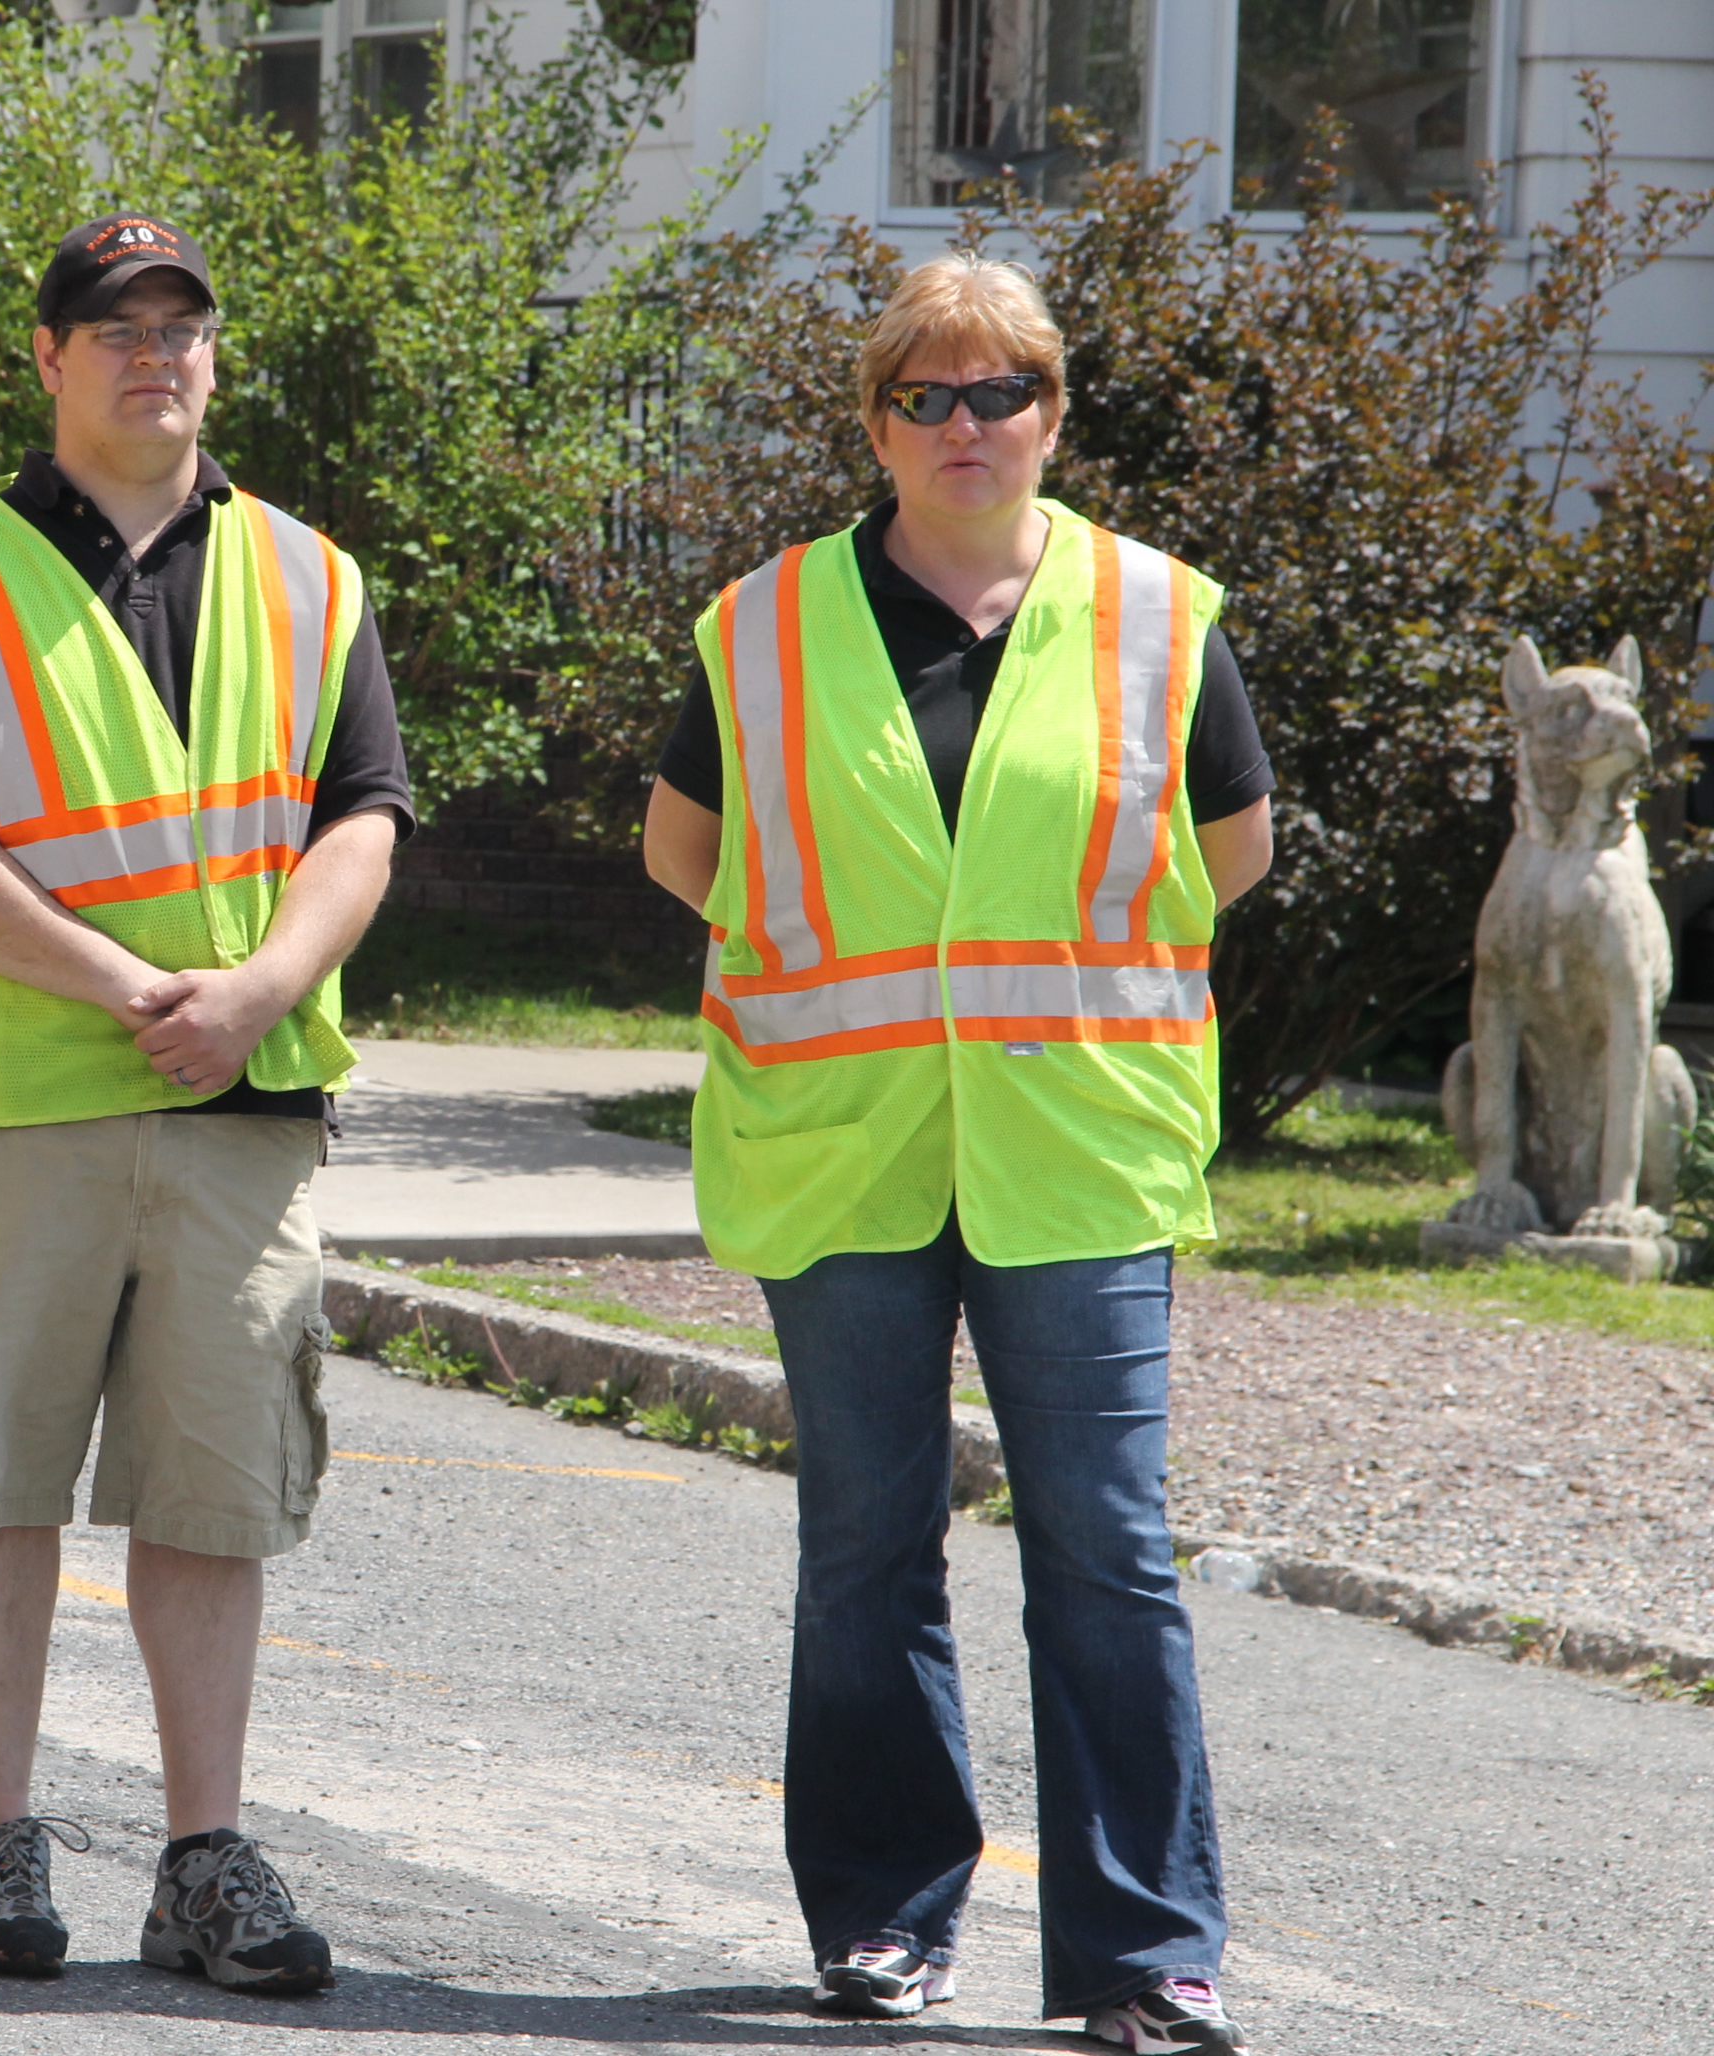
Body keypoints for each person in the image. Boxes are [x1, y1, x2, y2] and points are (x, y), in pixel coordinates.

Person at [640, 253, 1273, 2056]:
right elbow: (684, 848)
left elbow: (1232, 850)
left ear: (1054, 415)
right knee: (865, 1543)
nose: (965, 424)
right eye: (925, 395)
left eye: (1001, 392)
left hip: (1077, 1152)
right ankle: (882, 1921)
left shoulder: (1156, 615)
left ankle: (1143, 1956)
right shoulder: (765, 624)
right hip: (842, 1146)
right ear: (877, 424)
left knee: (1108, 1549)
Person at [0, 213, 413, 1994]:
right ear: (50, 357)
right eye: (116, 327)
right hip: (14, 1098)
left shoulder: (313, 579)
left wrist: (259, 992)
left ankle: (202, 1858)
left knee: (213, 1494)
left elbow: (365, 817)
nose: (155, 353)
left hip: (245, 1099)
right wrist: (126, 988)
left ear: (214, 354)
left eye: (182, 325)